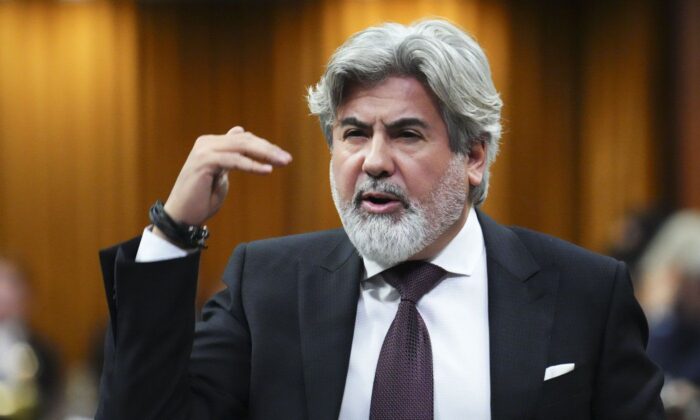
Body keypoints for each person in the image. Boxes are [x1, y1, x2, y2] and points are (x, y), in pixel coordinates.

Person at [96, 19, 664, 419]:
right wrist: (172, 233)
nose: (372, 161)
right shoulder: (265, 285)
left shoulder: (586, 292)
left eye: (406, 134)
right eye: (354, 134)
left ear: (473, 156)